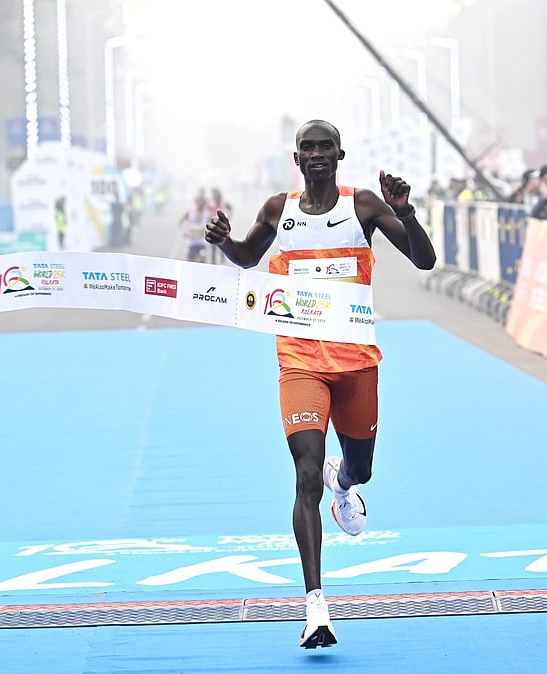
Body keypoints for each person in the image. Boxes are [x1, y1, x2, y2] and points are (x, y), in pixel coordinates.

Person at [204, 120, 435, 648]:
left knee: (361, 468)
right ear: (296, 158)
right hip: (300, 360)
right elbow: (248, 257)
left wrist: (405, 213)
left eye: (324, 146)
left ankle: (344, 483)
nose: (315, 154)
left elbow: (424, 260)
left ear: (339, 154)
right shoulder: (276, 209)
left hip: (356, 362)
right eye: (306, 147)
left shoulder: (363, 206)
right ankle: (315, 607)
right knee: (304, 475)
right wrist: (225, 242)